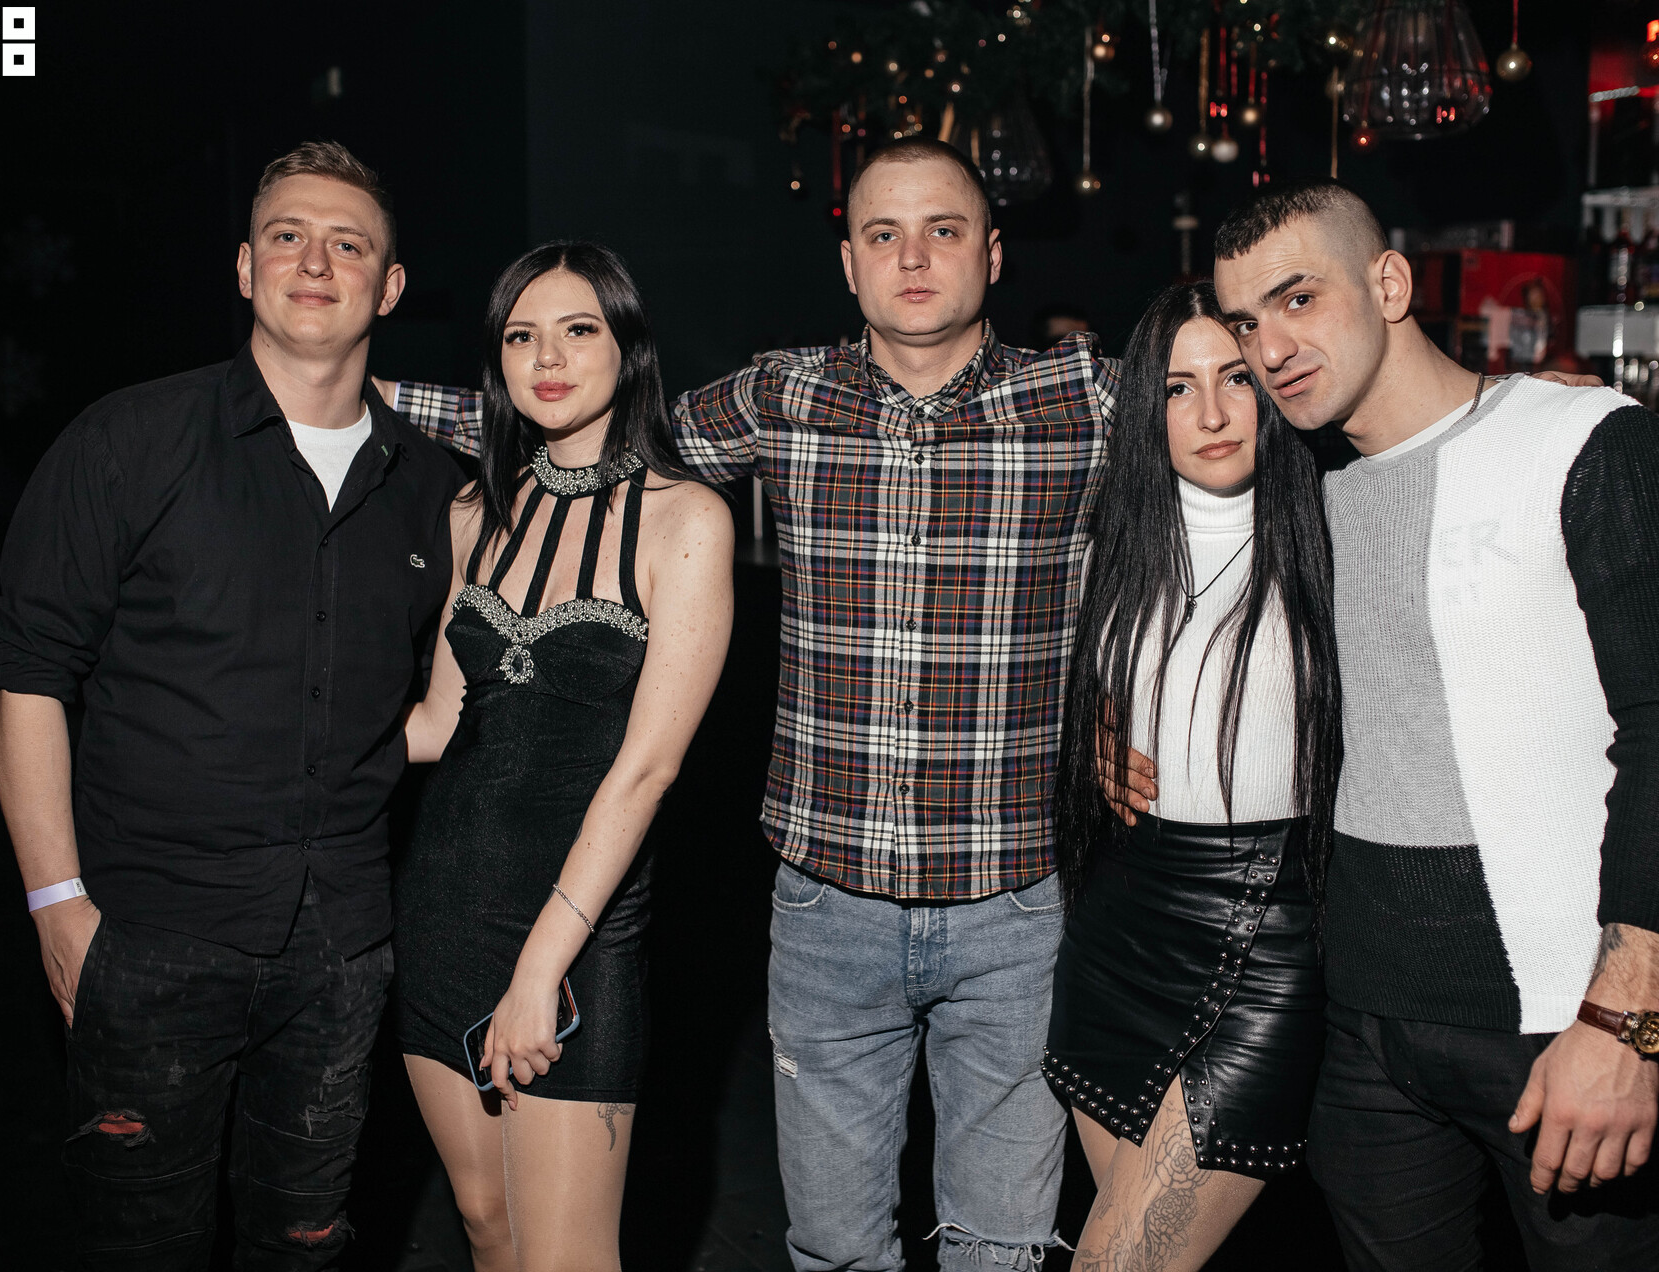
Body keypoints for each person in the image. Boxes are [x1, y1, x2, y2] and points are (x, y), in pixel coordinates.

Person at [391, 135, 1115, 1271]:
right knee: (833, 1247)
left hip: (1012, 904)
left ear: (993, 250)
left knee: (1001, 1247)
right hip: (827, 906)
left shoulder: (1087, 398)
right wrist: (344, 389)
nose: (912, 257)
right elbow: (592, 420)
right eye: (882, 233)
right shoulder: (787, 393)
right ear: (848, 261)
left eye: (943, 230)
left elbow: (1208, 523)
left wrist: (1133, 705)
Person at [1098, 179, 1659, 1268]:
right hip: (1359, 1028)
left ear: (1388, 282)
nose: (1271, 348)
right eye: (1247, 322)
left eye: (1299, 298)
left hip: (1558, 1019)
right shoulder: (1304, 488)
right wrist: (1111, 722)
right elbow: (1170, 584)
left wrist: (1622, 1022)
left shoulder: (1586, 441)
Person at [0, 141, 464, 1268]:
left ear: (389, 287)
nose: (315, 262)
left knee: (305, 1247)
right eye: (287, 236)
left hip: (341, 948)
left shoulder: (433, 486)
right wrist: (57, 906)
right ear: (245, 268)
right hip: (147, 940)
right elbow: (25, 672)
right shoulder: (129, 441)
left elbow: (419, 709)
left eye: (348, 244)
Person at [393, 241, 732, 1271]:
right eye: (520, 336)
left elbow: (648, 771)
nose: (547, 357)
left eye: (578, 330)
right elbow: (437, 723)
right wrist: (271, 724)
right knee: (486, 1226)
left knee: (566, 1259)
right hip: (442, 908)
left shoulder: (685, 519)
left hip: (576, 936)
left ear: (628, 347)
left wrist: (542, 965)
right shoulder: (476, 513)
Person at [1048, 280, 1340, 1271]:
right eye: (1178, 388)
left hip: (1264, 948)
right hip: (1119, 931)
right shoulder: (1111, 549)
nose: (1211, 412)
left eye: (1236, 378)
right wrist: (1096, 730)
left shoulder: (1337, 532)